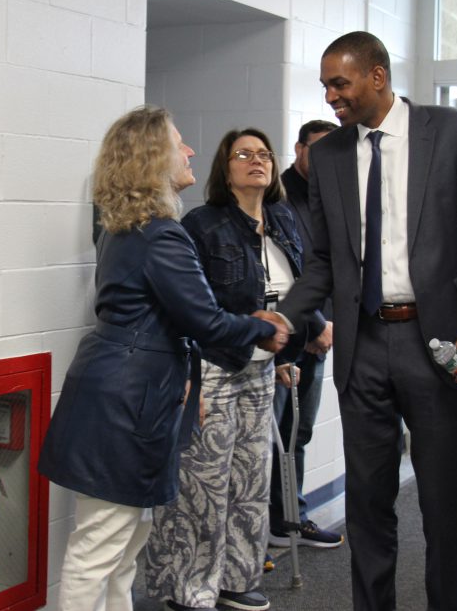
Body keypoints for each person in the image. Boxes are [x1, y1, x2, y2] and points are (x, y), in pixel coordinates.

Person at [278, 31, 457, 611]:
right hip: (363, 349)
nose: (331, 97)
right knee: (369, 504)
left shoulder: (450, 133)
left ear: (377, 76)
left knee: (440, 500)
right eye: (326, 86)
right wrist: (283, 317)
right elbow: (325, 261)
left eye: (340, 83)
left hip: (435, 345)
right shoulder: (330, 155)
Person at [38, 106, 289, 611]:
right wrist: (263, 329)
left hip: (126, 396)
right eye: (180, 143)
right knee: (100, 548)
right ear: (154, 158)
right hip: (126, 404)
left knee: (123, 546)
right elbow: (207, 321)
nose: (191, 151)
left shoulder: (126, 228)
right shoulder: (160, 234)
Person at [144, 128, 325, 611]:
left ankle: (235, 576)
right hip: (215, 365)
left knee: (250, 477)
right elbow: (186, 307)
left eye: (264, 154)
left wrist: (286, 357)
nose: (256, 161)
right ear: (225, 168)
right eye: (243, 154)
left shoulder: (284, 218)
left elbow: (295, 292)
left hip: (263, 369)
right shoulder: (203, 225)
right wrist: (187, 373)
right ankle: (188, 588)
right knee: (204, 482)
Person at [268, 119, 344, 551]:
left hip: (320, 335)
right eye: (318, 148)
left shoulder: (332, 195)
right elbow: (291, 269)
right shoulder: (279, 199)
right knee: (274, 434)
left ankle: (289, 518)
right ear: (299, 149)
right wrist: (315, 323)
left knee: (299, 432)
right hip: (287, 339)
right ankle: (268, 523)